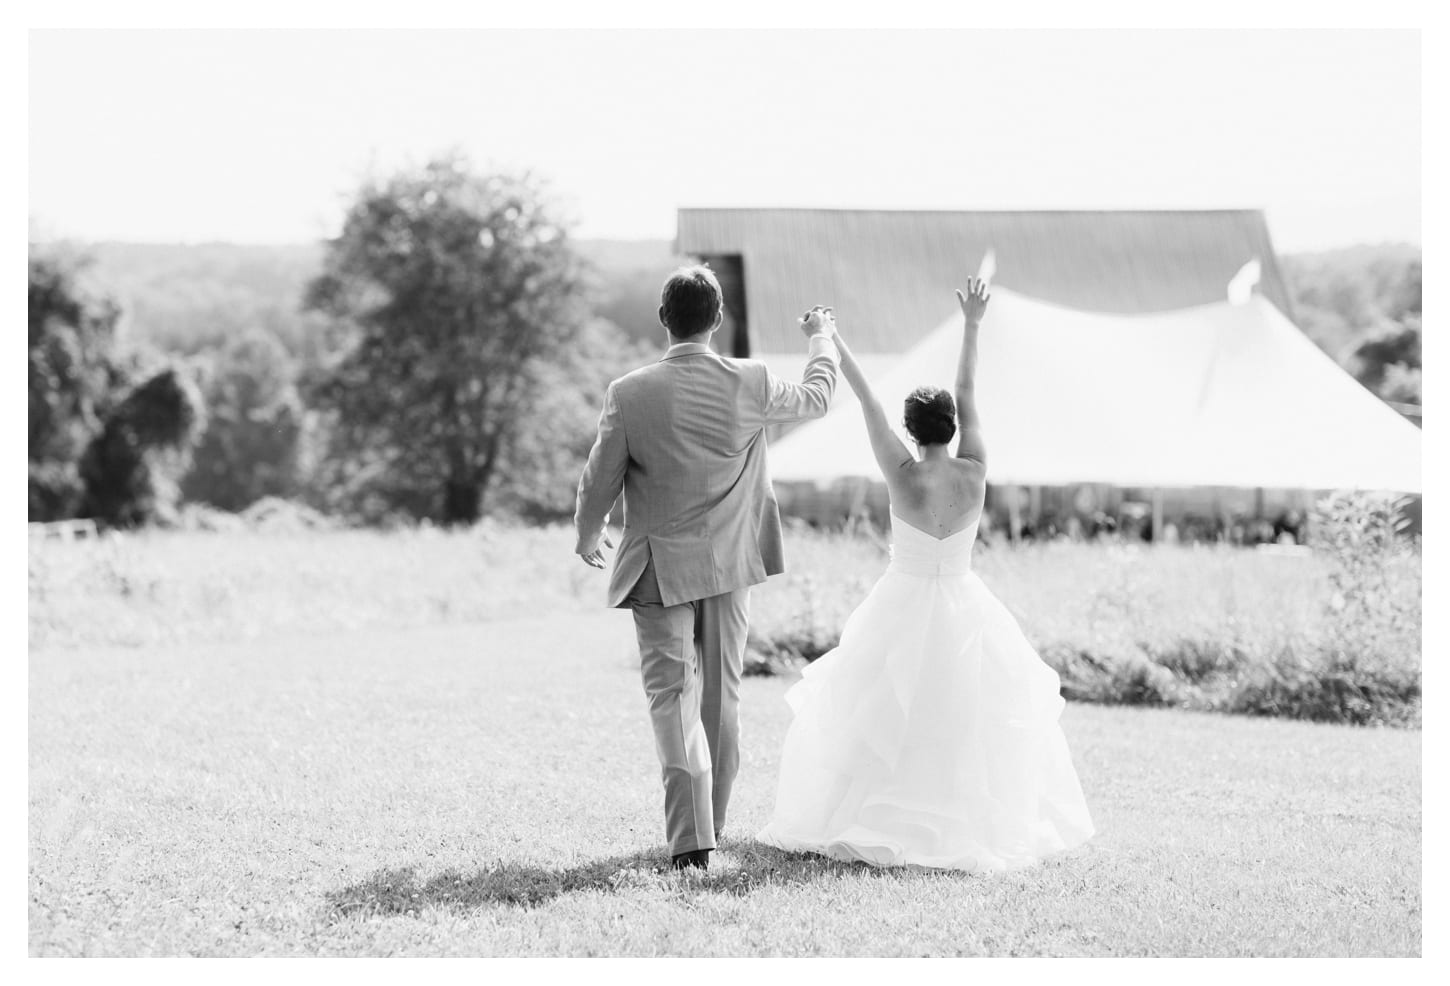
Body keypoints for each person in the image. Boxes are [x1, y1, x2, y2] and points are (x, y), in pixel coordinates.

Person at [756, 280, 1095, 871]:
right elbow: (967, 390)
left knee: (887, 714)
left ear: (912, 430)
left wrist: (831, 336)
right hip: (966, 603)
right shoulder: (976, 468)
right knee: (964, 716)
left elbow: (866, 402)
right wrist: (971, 323)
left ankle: (883, 815)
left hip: (902, 600)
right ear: (951, 425)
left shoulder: (902, 474)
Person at [574, 265, 840, 870]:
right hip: (728, 564)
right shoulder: (751, 381)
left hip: (657, 568)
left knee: (672, 697)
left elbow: (599, 479)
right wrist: (820, 336)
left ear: (664, 320)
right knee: (721, 698)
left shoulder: (629, 391)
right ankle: (710, 826)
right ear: (717, 319)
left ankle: (693, 838)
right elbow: (819, 398)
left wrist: (588, 533)